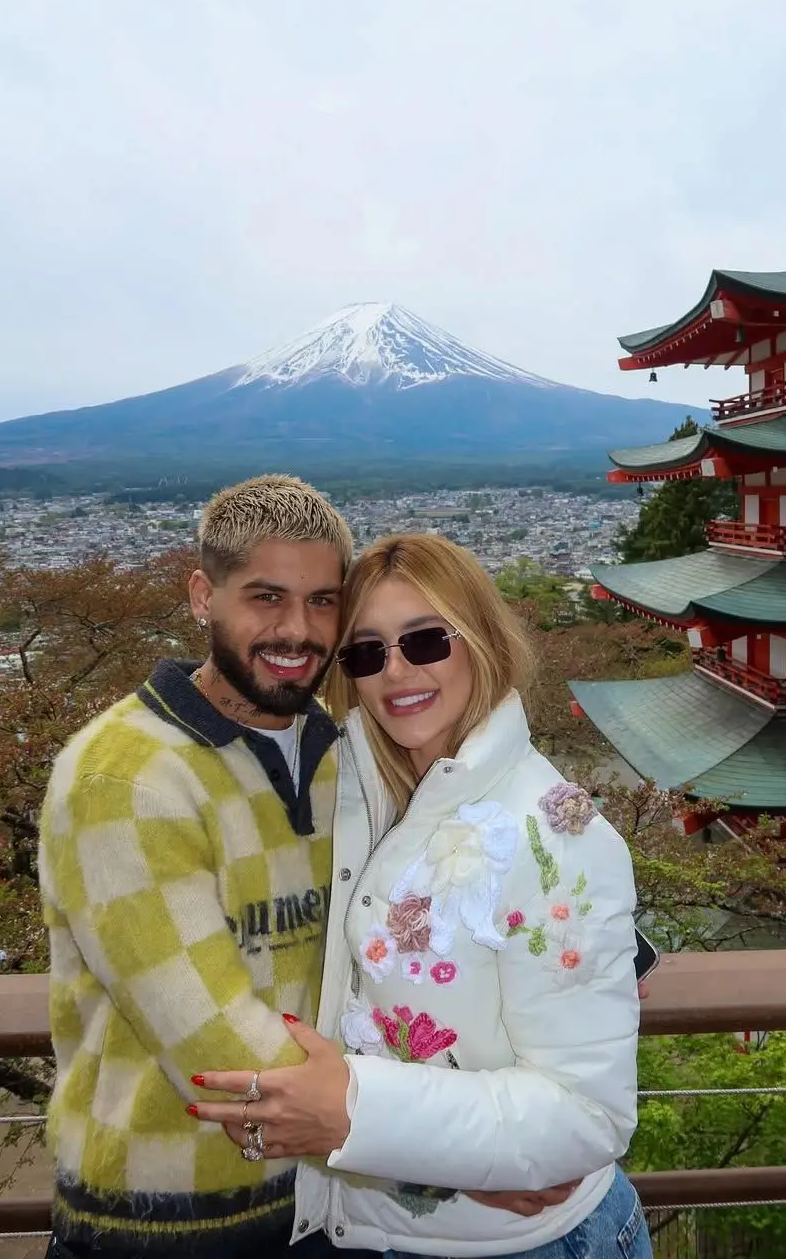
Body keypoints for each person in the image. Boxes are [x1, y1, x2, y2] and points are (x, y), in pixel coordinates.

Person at [190, 532, 651, 1259]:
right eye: (366, 652)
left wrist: (356, 1113)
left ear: (481, 640)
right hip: (375, 1231)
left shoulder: (553, 837)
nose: (397, 671)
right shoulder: (357, 788)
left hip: (518, 1246)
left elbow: (586, 1116)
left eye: (426, 640)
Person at [37, 474, 372, 1259]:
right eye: (266, 597)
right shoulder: (125, 776)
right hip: (162, 1221)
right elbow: (214, 1044)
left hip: (329, 1202)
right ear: (202, 596)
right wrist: (446, 1145)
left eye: (322, 601)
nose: (297, 630)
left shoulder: (341, 751)